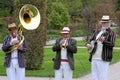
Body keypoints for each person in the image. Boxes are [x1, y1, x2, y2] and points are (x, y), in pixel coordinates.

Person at [86, 15, 116, 80]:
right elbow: (90, 40)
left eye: (105, 22)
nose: (104, 24)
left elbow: (112, 44)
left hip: (103, 58)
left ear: (108, 23)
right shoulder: (97, 31)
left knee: (103, 77)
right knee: (94, 77)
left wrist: (103, 41)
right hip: (94, 57)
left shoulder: (112, 33)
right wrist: (88, 44)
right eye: (103, 22)